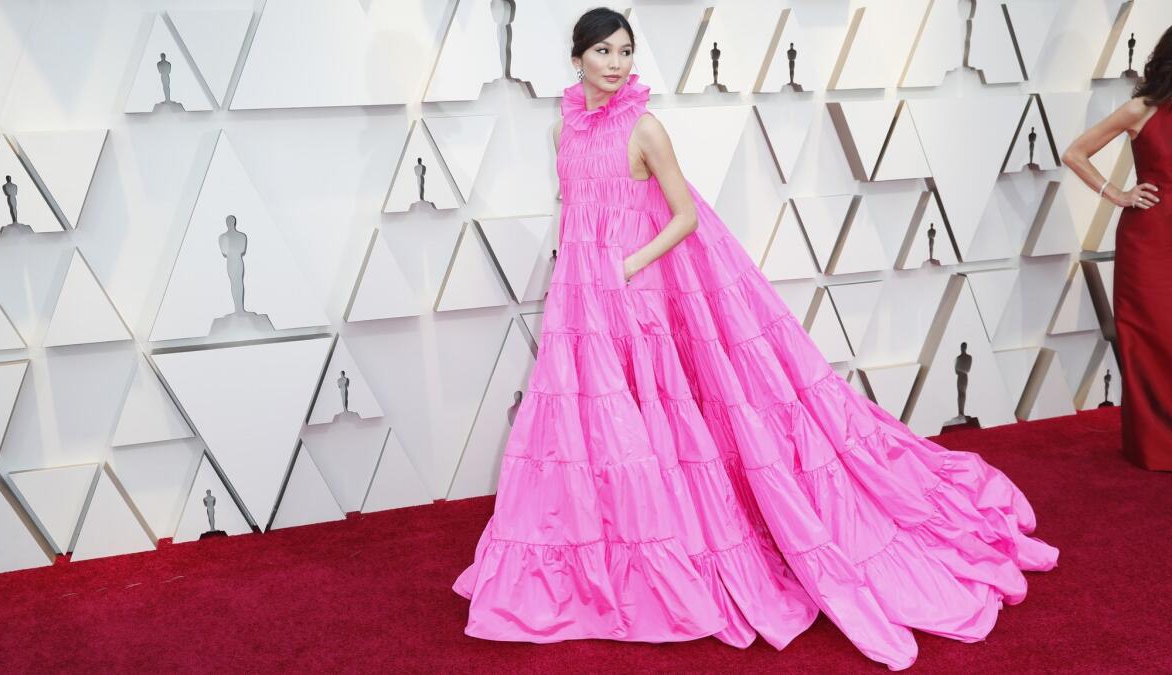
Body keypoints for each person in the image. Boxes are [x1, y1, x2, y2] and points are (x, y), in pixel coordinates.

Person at [453, 8, 1058, 671]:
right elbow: (577, 210)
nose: (618, 63)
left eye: (626, 50)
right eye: (603, 51)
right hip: (581, 300)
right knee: (590, 429)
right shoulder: (563, 127)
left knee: (653, 420)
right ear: (577, 60)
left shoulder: (645, 128)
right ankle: (599, 554)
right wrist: (572, 275)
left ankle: (669, 545)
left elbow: (683, 216)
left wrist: (624, 267)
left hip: (636, 294)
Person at [1062, 26, 1172, 472]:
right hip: (1150, 239)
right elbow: (1075, 153)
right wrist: (1116, 192)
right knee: (1152, 336)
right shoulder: (1141, 110)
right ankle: (1156, 445)